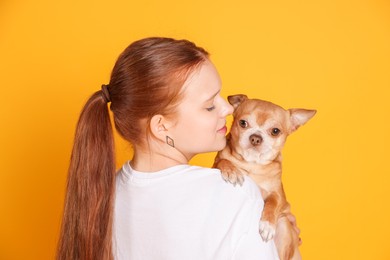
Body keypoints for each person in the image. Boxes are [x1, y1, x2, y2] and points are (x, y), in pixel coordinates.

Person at [57, 37, 297, 260]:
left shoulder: (102, 195)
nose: (228, 109)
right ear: (161, 127)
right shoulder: (235, 192)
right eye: (209, 106)